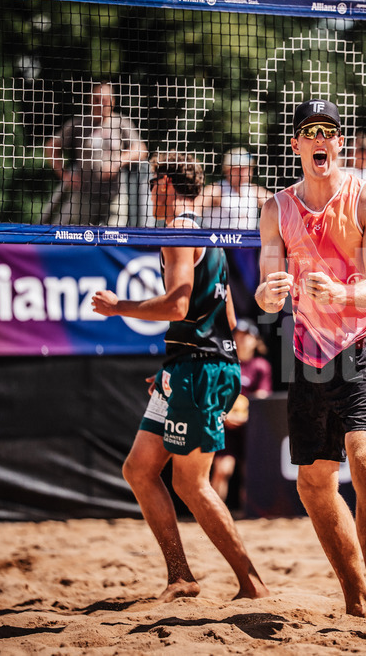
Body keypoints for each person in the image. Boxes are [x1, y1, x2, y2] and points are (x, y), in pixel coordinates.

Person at [255, 99, 366, 644]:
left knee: (365, 458)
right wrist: (269, 294)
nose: (322, 140)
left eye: (330, 132)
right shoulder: (276, 209)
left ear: (340, 142)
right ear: (296, 145)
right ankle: (355, 592)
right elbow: (268, 285)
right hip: (310, 352)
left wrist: (342, 292)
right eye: (310, 132)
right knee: (315, 482)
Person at [91, 152, 269, 603]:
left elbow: (177, 306)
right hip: (194, 366)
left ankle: (252, 584)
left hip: (199, 370)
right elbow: (224, 311)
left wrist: (120, 307)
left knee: (191, 483)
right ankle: (180, 576)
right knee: (138, 469)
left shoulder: (178, 232)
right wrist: (177, 364)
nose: (149, 194)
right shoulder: (209, 235)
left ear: (166, 185)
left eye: (152, 185)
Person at [42, 81, 148, 225]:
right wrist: (64, 175)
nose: (100, 104)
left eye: (104, 100)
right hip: (85, 195)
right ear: (90, 101)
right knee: (83, 239)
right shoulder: (79, 124)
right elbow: (51, 146)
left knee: (114, 236)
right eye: (96, 99)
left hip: (114, 195)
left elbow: (141, 149)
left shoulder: (122, 123)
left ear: (112, 101)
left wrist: (117, 163)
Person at [210, 318, 272, 507]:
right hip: (226, 426)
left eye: (247, 337)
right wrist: (225, 415)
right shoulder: (225, 364)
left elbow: (261, 399)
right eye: (239, 336)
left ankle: (251, 514)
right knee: (222, 469)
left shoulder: (261, 366)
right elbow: (214, 396)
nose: (243, 340)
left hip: (250, 429)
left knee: (251, 472)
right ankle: (212, 512)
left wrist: (243, 416)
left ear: (255, 341)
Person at [197, 147, 271, 230]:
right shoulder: (217, 189)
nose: (243, 173)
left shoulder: (255, 191)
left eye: (246, 169)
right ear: (227, 170)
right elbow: (194, 207)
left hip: (248, 241)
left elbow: (280, 206)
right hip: (218, 241)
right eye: (239, 169)